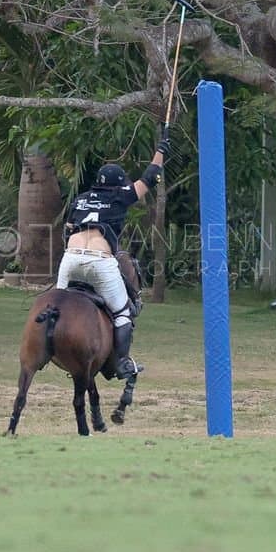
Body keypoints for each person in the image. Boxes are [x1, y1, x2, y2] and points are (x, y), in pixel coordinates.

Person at [58, 133, 168, 380]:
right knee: (122, 313)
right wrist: (161, 150)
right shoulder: (120, 196)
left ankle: (51, 349)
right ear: (118, 184)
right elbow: (150, 178)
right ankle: (121, 364)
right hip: (100, 261)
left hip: (71, 259)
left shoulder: (81, 199)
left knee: (54, 308)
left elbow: (67, 230)